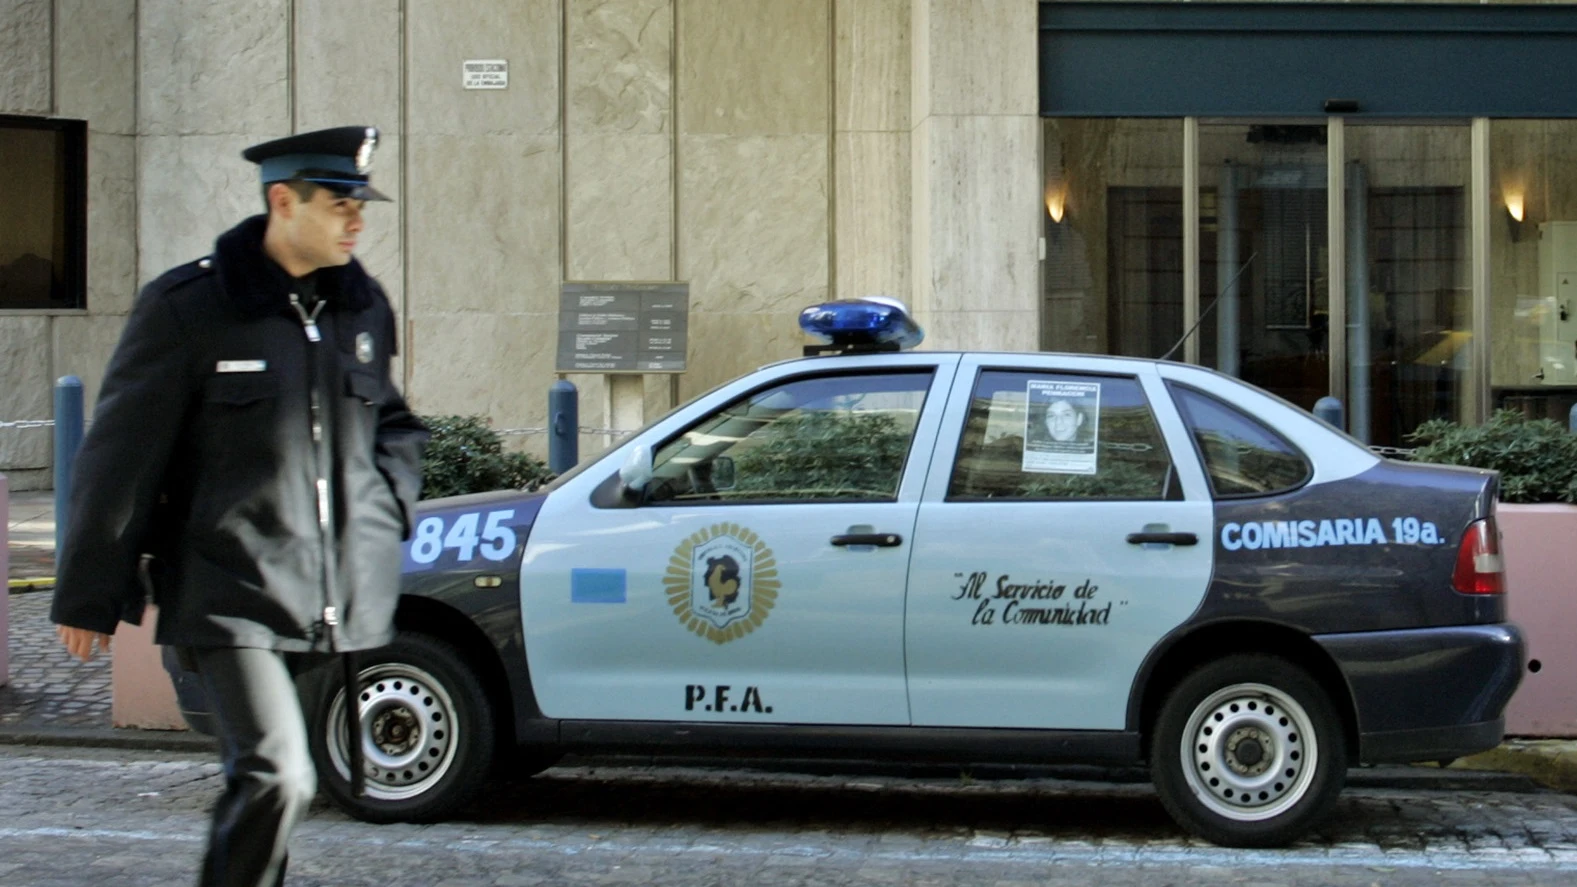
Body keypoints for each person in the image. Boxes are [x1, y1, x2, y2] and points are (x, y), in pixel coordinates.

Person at [50, 125, 428, 887]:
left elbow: (391, 424)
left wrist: (385, 510)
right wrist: (91, 591)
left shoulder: (361, 310)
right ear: (281, 201)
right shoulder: (188, 307)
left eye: (363, 202)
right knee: (278, 772)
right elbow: (119, 455)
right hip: (225, 592)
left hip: (330, 595)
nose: (358, 218)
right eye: (341, 201)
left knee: (275, 794)